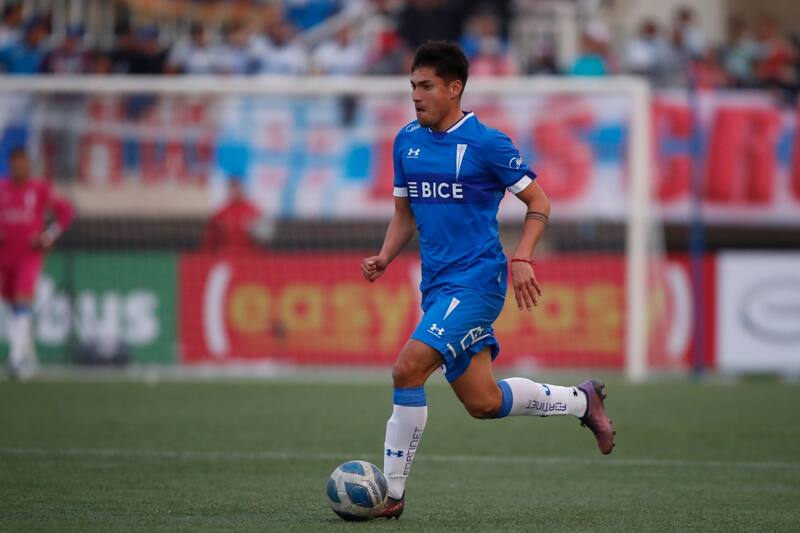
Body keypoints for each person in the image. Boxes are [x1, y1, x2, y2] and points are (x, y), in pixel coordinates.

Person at [360, 41, 615, 519]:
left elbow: (539, 202)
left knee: (407, 369)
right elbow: (404, 213)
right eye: (413, 85)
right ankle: (582, 401)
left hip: (478, 282)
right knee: (483, 401)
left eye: (426, 86)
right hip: (437, 286)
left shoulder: (487, 144)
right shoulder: (406, 141)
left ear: (454, 88)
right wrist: (385, 256)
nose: (416, 95)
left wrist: (523, 256)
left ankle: (391, 495)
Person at [1, 147, 74, 380]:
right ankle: (26, 350)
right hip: (4, 255)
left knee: (22, 298)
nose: (19, 168)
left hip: (29, 254)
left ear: (29, 165)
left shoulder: (40, 189)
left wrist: (49, 234)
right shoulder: (2, 189)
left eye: (23, 163)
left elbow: (66, 211)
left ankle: (16, 358)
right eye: (16, 164)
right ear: (10, 165)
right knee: (11, 305)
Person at [202, 177, 262, 253]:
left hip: (249, 255)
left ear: (242, 190)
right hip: (227, 254)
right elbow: (210, 240)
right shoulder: (221, 214)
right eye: (232, 188)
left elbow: (263, 240)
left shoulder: (253, 212)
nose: (234, 191)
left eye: (237, 188)